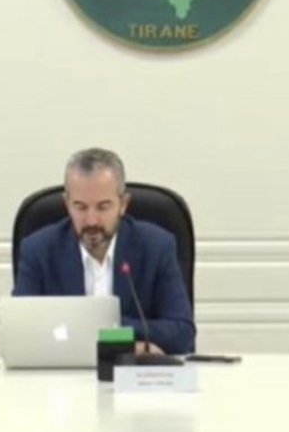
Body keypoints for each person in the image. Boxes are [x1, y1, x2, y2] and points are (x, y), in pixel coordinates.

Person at [13, 147, 196, 354]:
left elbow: (182, 333)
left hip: (133, 371)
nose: (91, 221)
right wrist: (114, 333)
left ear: (123, 204)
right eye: (80, 207)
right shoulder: (38, 250)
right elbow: (21, 332)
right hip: (63, 370)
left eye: (103, 207)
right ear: (67, 204)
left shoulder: (156, 246)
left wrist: (111, 332)